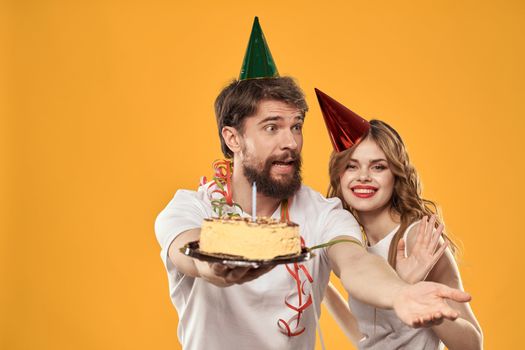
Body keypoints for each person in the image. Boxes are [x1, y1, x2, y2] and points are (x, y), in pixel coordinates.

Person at [154, 18, 471, 350]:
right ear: (232, 138)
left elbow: (356, 263)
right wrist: (213, 267)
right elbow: (185, 250)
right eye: (272, 127)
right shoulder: (191, 207)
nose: (291, 141)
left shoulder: (322, 213)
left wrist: (400, 292)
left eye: (296, 126)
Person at [316, 88, 483, 349]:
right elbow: (367, 338)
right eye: (352, 165)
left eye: (378, 166)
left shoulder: (417, 237)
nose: (363, 176)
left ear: (395, 175)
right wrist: (321, 286)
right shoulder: (350, 246)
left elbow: (472, 344)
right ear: (339, 176)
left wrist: (423, 301)